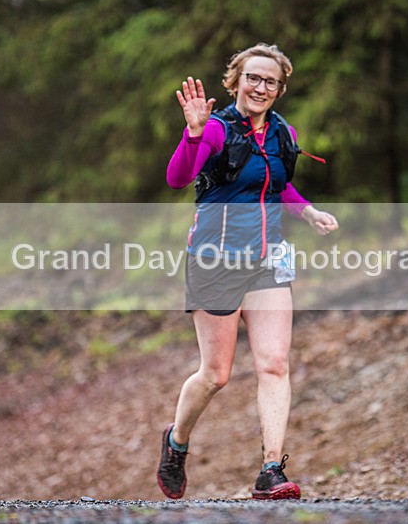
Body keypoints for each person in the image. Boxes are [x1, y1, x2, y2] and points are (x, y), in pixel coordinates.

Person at [157, 43, 338, 500]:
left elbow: (277, 185)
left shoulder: (281, 132)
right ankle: (176, 442)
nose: (261, 87)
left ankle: (270, 470)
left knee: (274, 364)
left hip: (266, 262)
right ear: (235, 80)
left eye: (270, 81)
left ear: (280, 89)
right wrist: (193, 134)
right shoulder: (216, 130)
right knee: (215, 374)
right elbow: (178, 178)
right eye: (253, 78)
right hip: (214, 261)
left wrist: (307, 211)